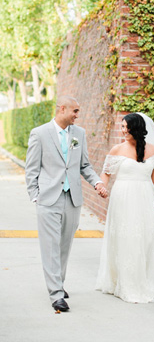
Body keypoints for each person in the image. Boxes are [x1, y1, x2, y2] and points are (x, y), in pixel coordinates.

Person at [25, 95, 108, 312]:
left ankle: (58, 283)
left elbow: (84, 165)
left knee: (64, 245)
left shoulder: (79, 134)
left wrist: (97, 182)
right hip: (48, 198)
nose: (77, 115)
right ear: (62, 109)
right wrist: (35, 195)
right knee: (50, 246)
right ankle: (56, 294)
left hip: (72, 198)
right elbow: (31, 168)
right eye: (75, 111)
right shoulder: (40, 133)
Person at [95, 112, 154, 303]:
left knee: (142, 239)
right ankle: (121, 282)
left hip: (143, 198)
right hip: (122, 198)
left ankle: (140, 282)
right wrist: (102, 186)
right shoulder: (117, 149)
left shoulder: (152, 150)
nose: (124, 130)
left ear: (137, 128)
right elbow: (106, 173)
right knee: (124, 237)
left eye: (127, 127)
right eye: (122, 127)